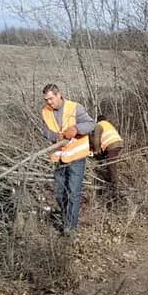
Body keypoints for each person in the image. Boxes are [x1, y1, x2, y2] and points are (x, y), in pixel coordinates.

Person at [40, 84, 96, 234]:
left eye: (51, 99)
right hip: (59, 157)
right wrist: (54, 136)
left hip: (76, 156)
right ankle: (66, 221)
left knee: (73, 193)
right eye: (46, 100)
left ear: (59, 95)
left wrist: (76, 129)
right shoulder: (46, 111)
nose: (49, 102)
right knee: (59, 193)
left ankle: (70, 229)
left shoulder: (75, 108)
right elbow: (44, 130)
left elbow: (91, 124)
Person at [91, 114, 124, 199]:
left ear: (98, 120)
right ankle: (111, 180)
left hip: (112, 145)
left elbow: (96, 140)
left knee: (111, 164)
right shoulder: (108, 124)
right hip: (118, 143)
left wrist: (97, 152)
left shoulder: (99, 125)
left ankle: (114, 186)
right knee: (109, 162)